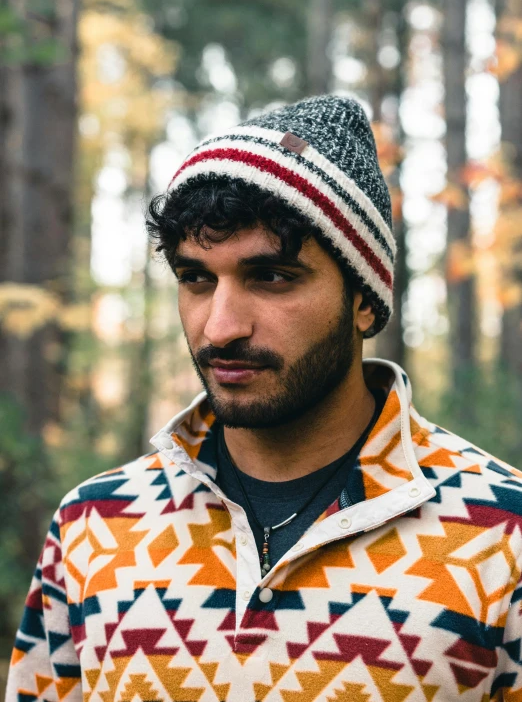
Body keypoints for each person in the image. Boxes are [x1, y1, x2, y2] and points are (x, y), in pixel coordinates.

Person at [6, 95, 522, 702]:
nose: (220, 327)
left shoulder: (500, 535)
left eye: (271, 277)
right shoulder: (93, 525)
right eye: (196, 278)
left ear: (364, 301)